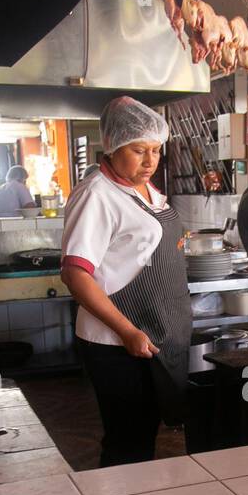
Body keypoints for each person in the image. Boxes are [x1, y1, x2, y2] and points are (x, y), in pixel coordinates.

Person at [60, 97, 190, 467]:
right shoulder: (96, 195)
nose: (150, 161)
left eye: (156, 150)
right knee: (128, 441)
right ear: (113, 146)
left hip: (154, 334)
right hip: (117, 341)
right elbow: (75, 274)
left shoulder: (143, 190)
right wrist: (128, 331)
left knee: (146, 435)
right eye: (139, 151)